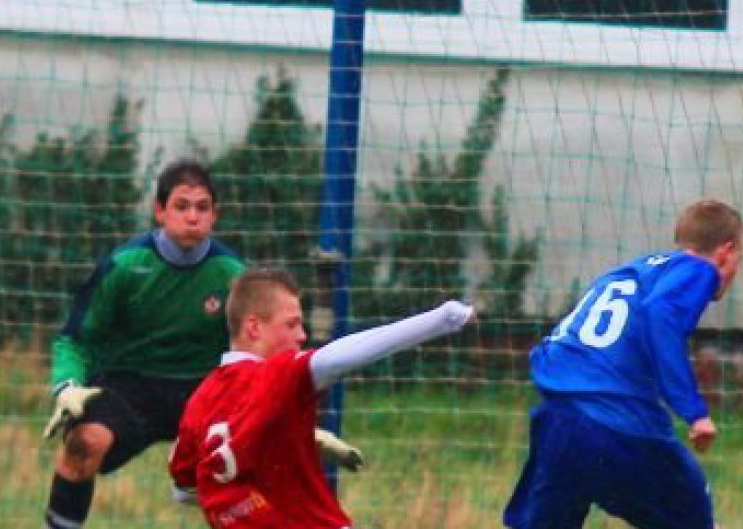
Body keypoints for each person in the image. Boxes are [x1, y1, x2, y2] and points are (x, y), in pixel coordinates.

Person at [42, 159, 362, 529]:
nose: (192, 217)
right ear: (159, 211)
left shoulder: (232, 276)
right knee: (84, 444)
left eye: (202, 207)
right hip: (130, 385)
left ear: (215, 215)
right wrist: (67, 385)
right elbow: (74, 338)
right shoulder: (125, 266)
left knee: (265, 474)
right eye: (181, 206)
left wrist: (294, 426)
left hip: (205, 395)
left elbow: (263, 355)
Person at [169, 268, 475, 528]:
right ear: (253, 327)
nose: (301, 336)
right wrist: (442, 319)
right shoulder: (275, 377)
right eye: (291, 324)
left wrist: (249, 492)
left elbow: (183, 490)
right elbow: (337, 357)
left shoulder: (200, 400)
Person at [503, 198, 743, 529]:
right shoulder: (699, 270)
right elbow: (660, 315)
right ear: (726, 252)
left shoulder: (633, 271)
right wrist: (693, 410)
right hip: (617, 424)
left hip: (559, 419)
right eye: (738, 261)